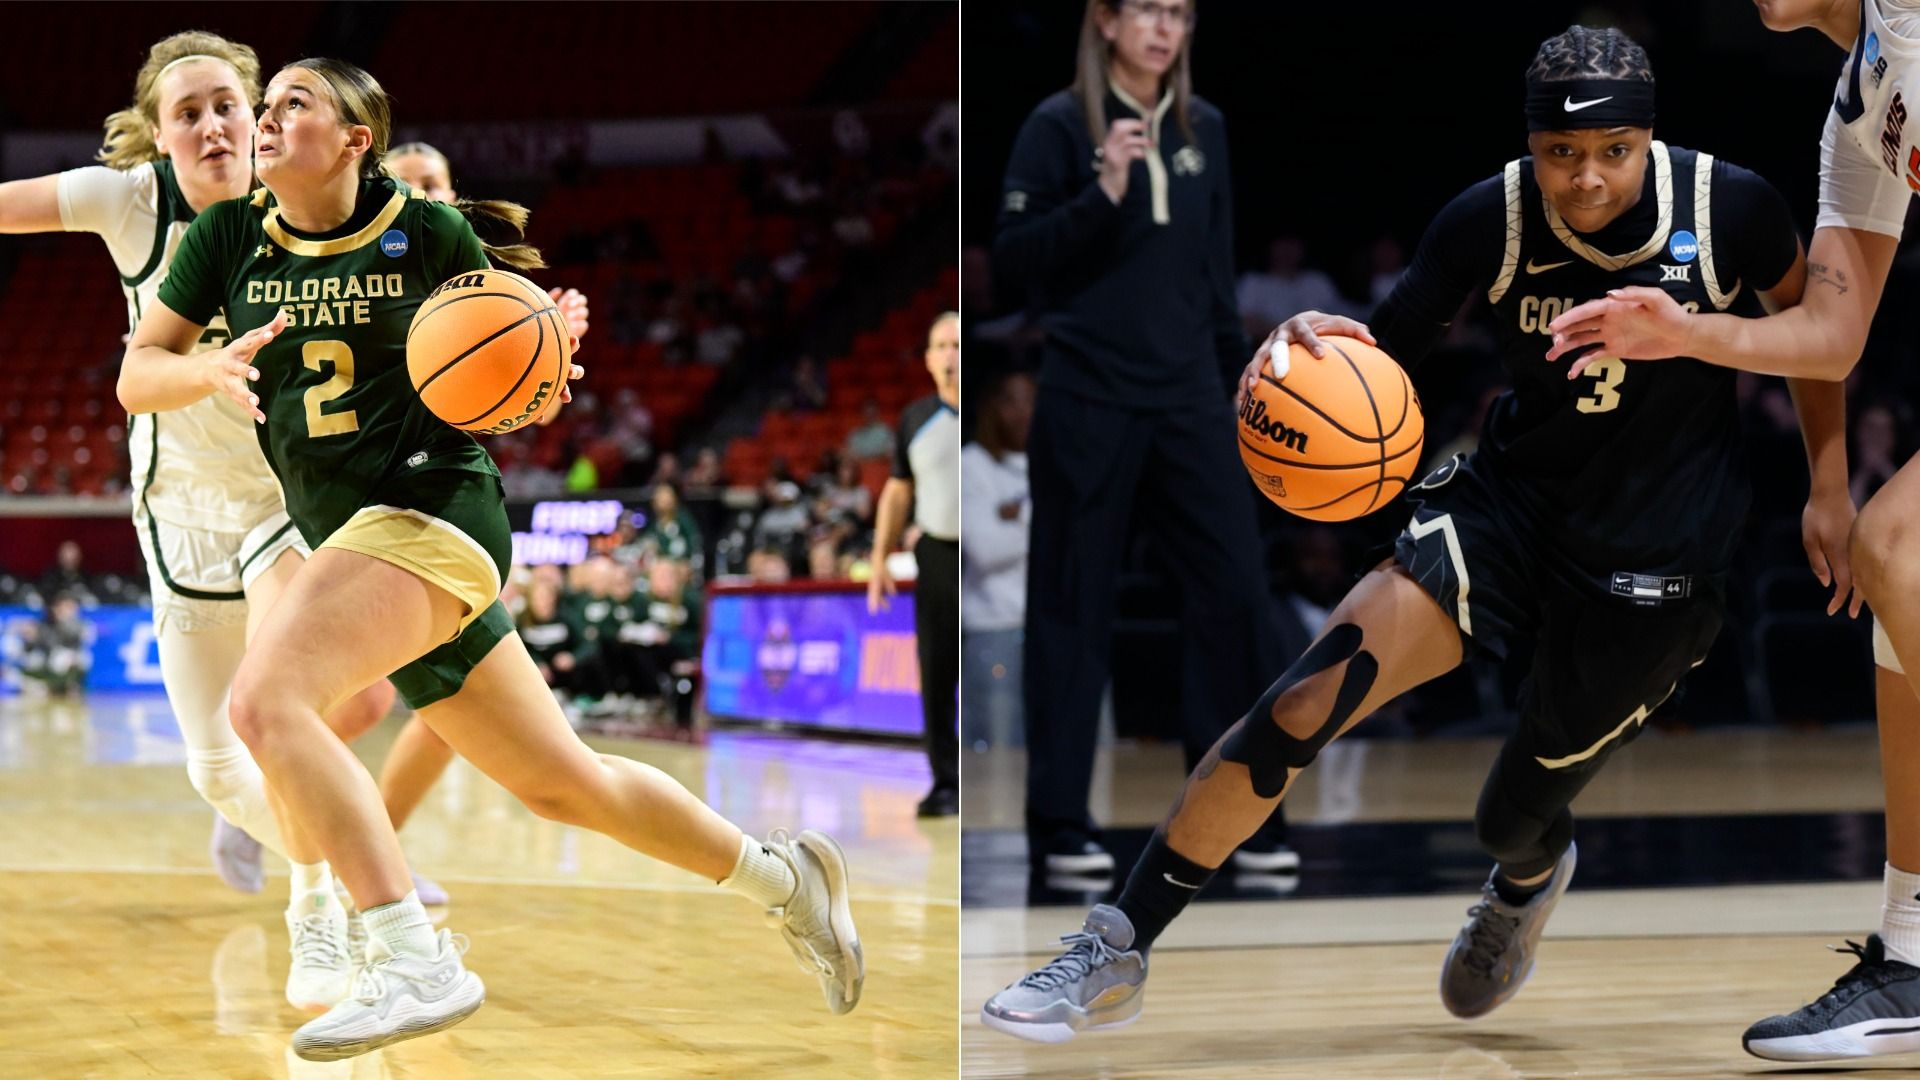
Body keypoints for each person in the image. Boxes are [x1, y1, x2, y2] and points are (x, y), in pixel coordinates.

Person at [982, 24, 1839, 1043]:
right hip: (1510, 512)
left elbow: (1817, 343)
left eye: (1613, 151)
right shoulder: (1493, 218)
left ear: (1649, 136)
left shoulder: (1731, 206)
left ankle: (1525, 880)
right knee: (1307, 693)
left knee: (1508, 821)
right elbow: (1381, 345)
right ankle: (1115, 945)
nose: (1589, 178)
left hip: (1661, 556)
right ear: (1532, 148)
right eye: (1563, 155)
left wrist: (1826, 483)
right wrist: (1313, 347)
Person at [121, 57, 862, 1061]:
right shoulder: (224, 238)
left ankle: (406, 953)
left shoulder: (424, 230)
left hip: (432, 509)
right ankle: (787, 880)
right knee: (568, 784)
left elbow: (525, 396)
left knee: (265, 703)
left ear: (353, 140)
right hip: (354, 541)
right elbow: (138, 372)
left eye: (294, 100)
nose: (266, 116)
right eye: (269, 101)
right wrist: (199, 367)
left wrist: (542, 354)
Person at [0, 34, 417, 1003]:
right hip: (179, 508)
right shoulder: (130, 201)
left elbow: (408, 240)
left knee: (280, 710)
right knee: (217, 771)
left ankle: (337, 905)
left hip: (286, 496)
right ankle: (321, 872)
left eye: (227, 103)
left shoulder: (299, 192)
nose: (215, 125)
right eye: (187, 112)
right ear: (157, 134)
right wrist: (206, 371)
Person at [1542, 1, 1920, 1061]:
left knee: (1901, 550)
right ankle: (1911, 954)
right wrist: (1680, 334)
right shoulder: (1862, 104)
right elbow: (1833, 333)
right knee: (1900, 581)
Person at [993, 0, 1293, 880]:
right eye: (1148, 11)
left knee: (1238, 601)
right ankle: (1059, 827)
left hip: (1192, 396)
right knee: (1069, 610)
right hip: (1086, 395)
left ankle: (1237, 822)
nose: (1165, 28)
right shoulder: (1057, 125)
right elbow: (1013, 259)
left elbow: (1215, 271)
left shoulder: (1207, 129)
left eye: (1180, 13)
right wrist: (1102, 196)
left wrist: (1241, 381)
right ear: (1105, 21)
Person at [869, 312, 960, 818]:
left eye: (958, 345)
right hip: (939, 554)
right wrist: (881, 555)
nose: (950, 355)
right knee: (938, 670)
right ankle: (946, 782)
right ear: (927, 359)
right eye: (941, 345)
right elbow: (898, 490)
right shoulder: (915, 418)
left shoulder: (992, 415)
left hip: (990, 556)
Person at [961, 368, 1035, 750]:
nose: (1022, 411)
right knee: (993, 758)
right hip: (993, 632)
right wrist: (1036, 518)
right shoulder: (972, 463)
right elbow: (984, 549)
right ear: (991, 408)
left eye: (1030, 400)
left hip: (1048, 630)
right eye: (1010, 401)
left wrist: (1015, 517)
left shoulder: (1054, 460)